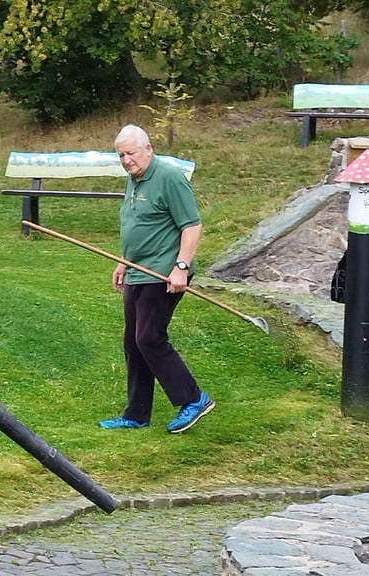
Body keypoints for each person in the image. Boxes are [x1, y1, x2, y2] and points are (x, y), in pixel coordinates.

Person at [100, 124, 215, 434]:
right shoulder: (133, 180)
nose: (125, 160)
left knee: (149, 337)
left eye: (131, 153)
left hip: (162, 273)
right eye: (120, 154)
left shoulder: (169, 177)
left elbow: (192, 226)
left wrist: (181, 266)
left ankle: (194, 398)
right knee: (133, 343)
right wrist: (124, 261)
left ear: (148, 148)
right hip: (138, 271)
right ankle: (137, 413)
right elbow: (137, 223)